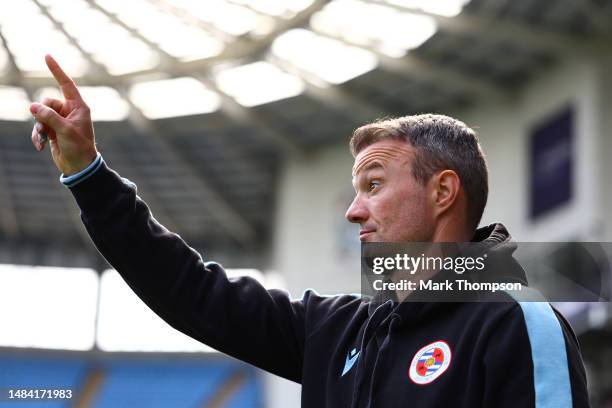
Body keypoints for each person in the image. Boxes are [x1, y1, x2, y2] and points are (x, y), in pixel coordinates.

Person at [29, 54, 589, 407]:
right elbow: (190, 290)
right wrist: (87, 174)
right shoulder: (335, 330)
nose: (352, 211)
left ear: (443, 192)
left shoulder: (518, 320)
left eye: (373, 185)